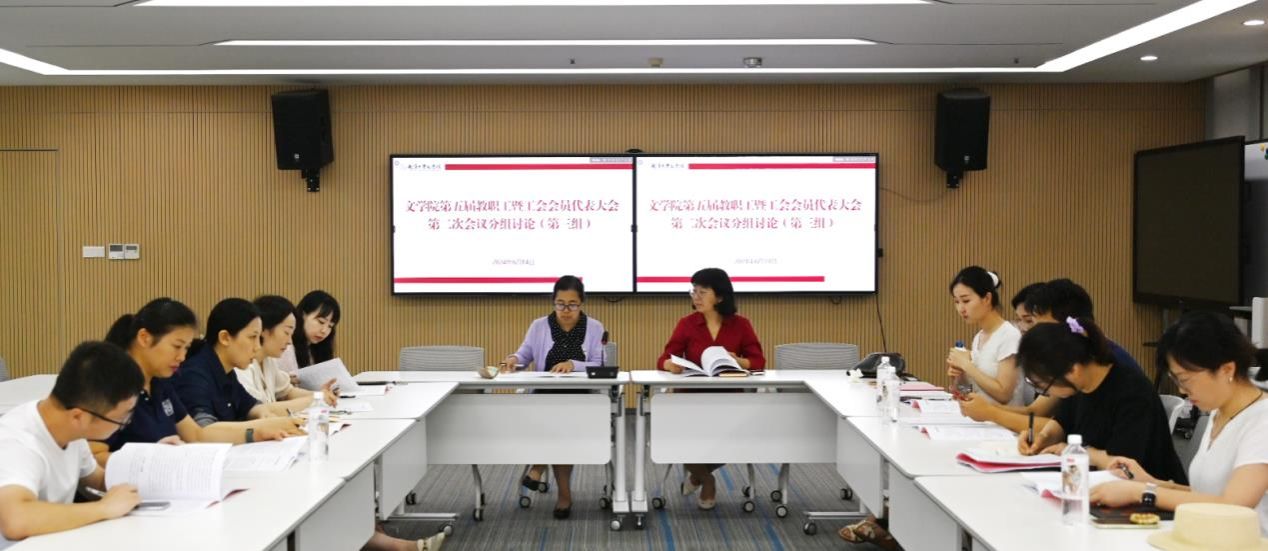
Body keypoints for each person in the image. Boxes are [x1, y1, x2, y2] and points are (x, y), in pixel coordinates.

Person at [1091, 312, 1268, 533]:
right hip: (1207, 536)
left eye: (1185, 380)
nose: (1182, 390)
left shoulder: (1262, 420)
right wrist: (1148, 482)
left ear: (1227, 370)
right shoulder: (1219, 410)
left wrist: (1142, 493)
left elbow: (1233, 507)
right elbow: (1207, 496)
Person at [91, 298, 298, 466]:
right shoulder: (111, 386)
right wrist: (151, 460)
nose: (182, 357)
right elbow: (92, 459)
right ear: (145, 338)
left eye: (186, 348)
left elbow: (196, 435)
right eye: (177, 346)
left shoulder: (160, 383)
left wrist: (256, 433)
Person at [0, 342, 143, 547]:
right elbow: (15, 521)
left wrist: (152, 460)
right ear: (79, 417)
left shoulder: (71, 429)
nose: (124, 424)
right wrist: (103, 508)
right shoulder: (18, 442)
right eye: (121, 419)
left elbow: (97, 482)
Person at [1015, 317, 1187, 484]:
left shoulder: (1133, 393)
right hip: (1100, 483)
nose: (1046, 392)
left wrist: (1074, 452)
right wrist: (1042, 438)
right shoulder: (1079, 385)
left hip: (1149, 492)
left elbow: (1122, 465)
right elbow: (1062, 421)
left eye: (1044, 385)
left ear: (1073, 370)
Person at [961, 278, 1145, 432]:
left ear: (1068, 326)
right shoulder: (1075, 358)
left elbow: (1059, 427)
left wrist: (991, 413)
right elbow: (1053, 422)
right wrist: (988, 410)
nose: (1031, 332)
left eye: (1039, 326)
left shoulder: (1100, 368)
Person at [656, 268, 765, 511]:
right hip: (690, 400)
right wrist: (670, 365)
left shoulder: (741, 325)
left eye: (702, 292)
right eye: (693, 291)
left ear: (720, 296)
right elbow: (664, 357)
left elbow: (758, 362)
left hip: (730, 402)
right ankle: (707, 480)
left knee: (736, 438)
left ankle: (697, 475)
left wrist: (738, 361)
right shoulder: (687, 324)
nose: (695, 297)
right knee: (678, 435)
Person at [498, 275, 605, 519]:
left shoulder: (595, 327)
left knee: (560, 422)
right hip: (544, 397)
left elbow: (599, 363)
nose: (566, 310)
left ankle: (539, 467)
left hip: (581, 399)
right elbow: (524, 354)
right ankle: (563, 494)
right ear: (553, 302)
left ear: (582, 303)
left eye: (572, 305)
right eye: (560, 304)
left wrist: (573, 364)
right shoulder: (539, 326)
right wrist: (513, 359)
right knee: (558, 424)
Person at [173, 298, 301, 426]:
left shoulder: (227, 371)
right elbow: (204, 428)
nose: (257, 347)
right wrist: (257, 429)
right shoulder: (194, 374)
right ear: (225, 338)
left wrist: (265, 415)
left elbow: (250, 406)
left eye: (258, 338)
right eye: (252, 337)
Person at [237, 295, 336, 408]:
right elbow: (259, 410)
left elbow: (287, 391)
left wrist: (320, 396)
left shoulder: (268, 360)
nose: (289, 342)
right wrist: (314, 399)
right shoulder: (242, 366)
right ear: (263, 329)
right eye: (286, 333)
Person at [946, 266, 1024, 405]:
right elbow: (970, 392)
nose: (960, 309)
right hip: (979, 416)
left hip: (1002, 417)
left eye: (966, 301)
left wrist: (966, 365)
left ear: (987, 298)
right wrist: (959, 378)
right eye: (956, 302)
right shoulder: (978, 338)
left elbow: (1004, 395)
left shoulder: (1009, 336)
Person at [279, 290, 341, 384]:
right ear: (303, 315)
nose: (324, 331)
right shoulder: (286, 347)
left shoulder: (315, 349)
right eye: (321, 322)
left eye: (330, 326)